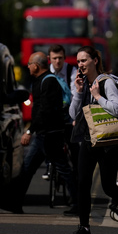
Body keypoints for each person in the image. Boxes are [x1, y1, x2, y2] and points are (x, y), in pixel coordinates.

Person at [67, 45, 118, 234]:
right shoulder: (84, 83)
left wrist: (98, 96)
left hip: (108, 143)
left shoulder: (106, 82)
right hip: (89, 140)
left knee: (109, 187)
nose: (80, 65)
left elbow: (117, 109)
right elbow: (73, 114)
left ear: (95, 61)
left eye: (84, 60)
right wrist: (78, 92)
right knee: (83, 184)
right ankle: (84, 227)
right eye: (78, 62)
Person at [6, 52, 76, 214]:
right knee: (27, 169)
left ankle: (78, 204)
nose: (28, 66)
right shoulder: (40, 81)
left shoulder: (48, 82)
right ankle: (15, 203)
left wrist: (29, 130)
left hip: (50, 134)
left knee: (63, 169)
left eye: (30, 64)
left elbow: (43, 110)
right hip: (44, 135)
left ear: (36, 66)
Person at [46, 44, 79, 214]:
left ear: (64, 58)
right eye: (54, 58)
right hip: (53, 118)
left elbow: (75, 95)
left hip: (69, 118)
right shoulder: (47, 72)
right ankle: (48, 166)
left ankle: (77, 188)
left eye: (60, 58)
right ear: (49, 59)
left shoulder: (71, 71)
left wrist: (72, 117)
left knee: (75, 155)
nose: (57, 61)